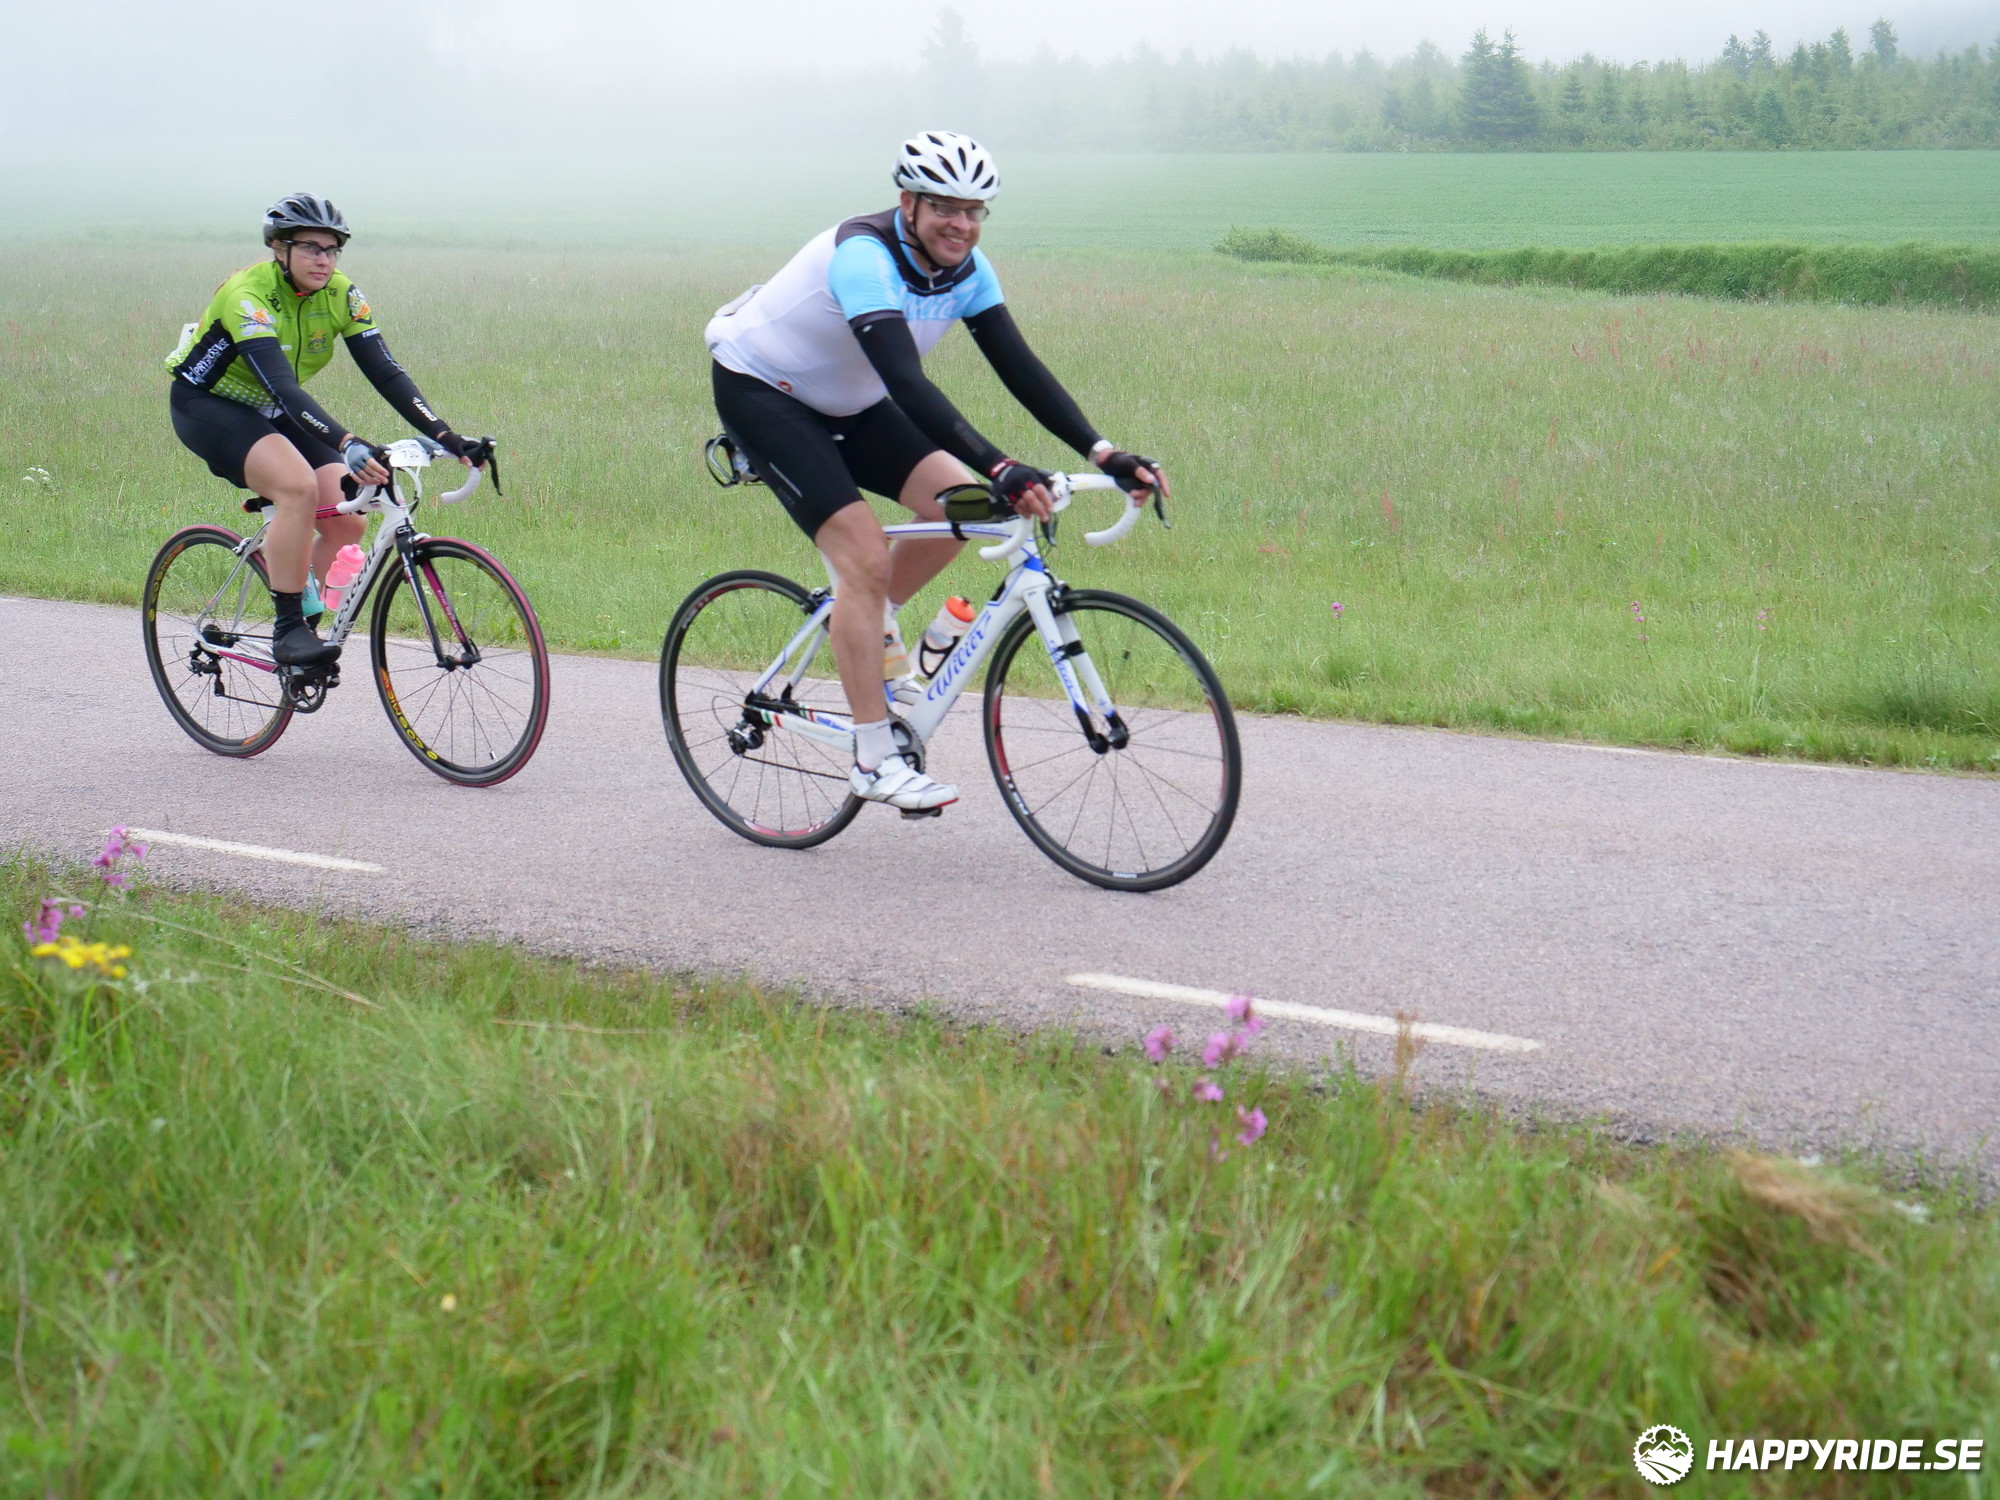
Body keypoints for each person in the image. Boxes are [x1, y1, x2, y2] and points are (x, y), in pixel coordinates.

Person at [706, 131, 1167, 812]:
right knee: (864, 557)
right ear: (909, 205)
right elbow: (905, 380)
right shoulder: (863, 256)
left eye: (975, 211)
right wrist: (1002, 464)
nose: (962, 225)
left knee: (965, 505)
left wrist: (1103, 452)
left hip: (852, 401)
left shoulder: (969, 271)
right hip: (766, 392)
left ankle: (870, 621)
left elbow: (1019, 367)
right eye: (946, 208)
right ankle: (873, 760)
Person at [163, 192, 486, 667]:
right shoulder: (247, 296)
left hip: (272, 407)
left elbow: (385, 372)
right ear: (280, 248)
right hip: (208, 405)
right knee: (298, 488)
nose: (324, 260)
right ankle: (287, 629)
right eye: (311, 248)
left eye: (333, 250)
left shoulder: (342, 294)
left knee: (348, 519)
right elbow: (283, 386)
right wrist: (347, 442)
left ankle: (305, 630)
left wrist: (446, 436)